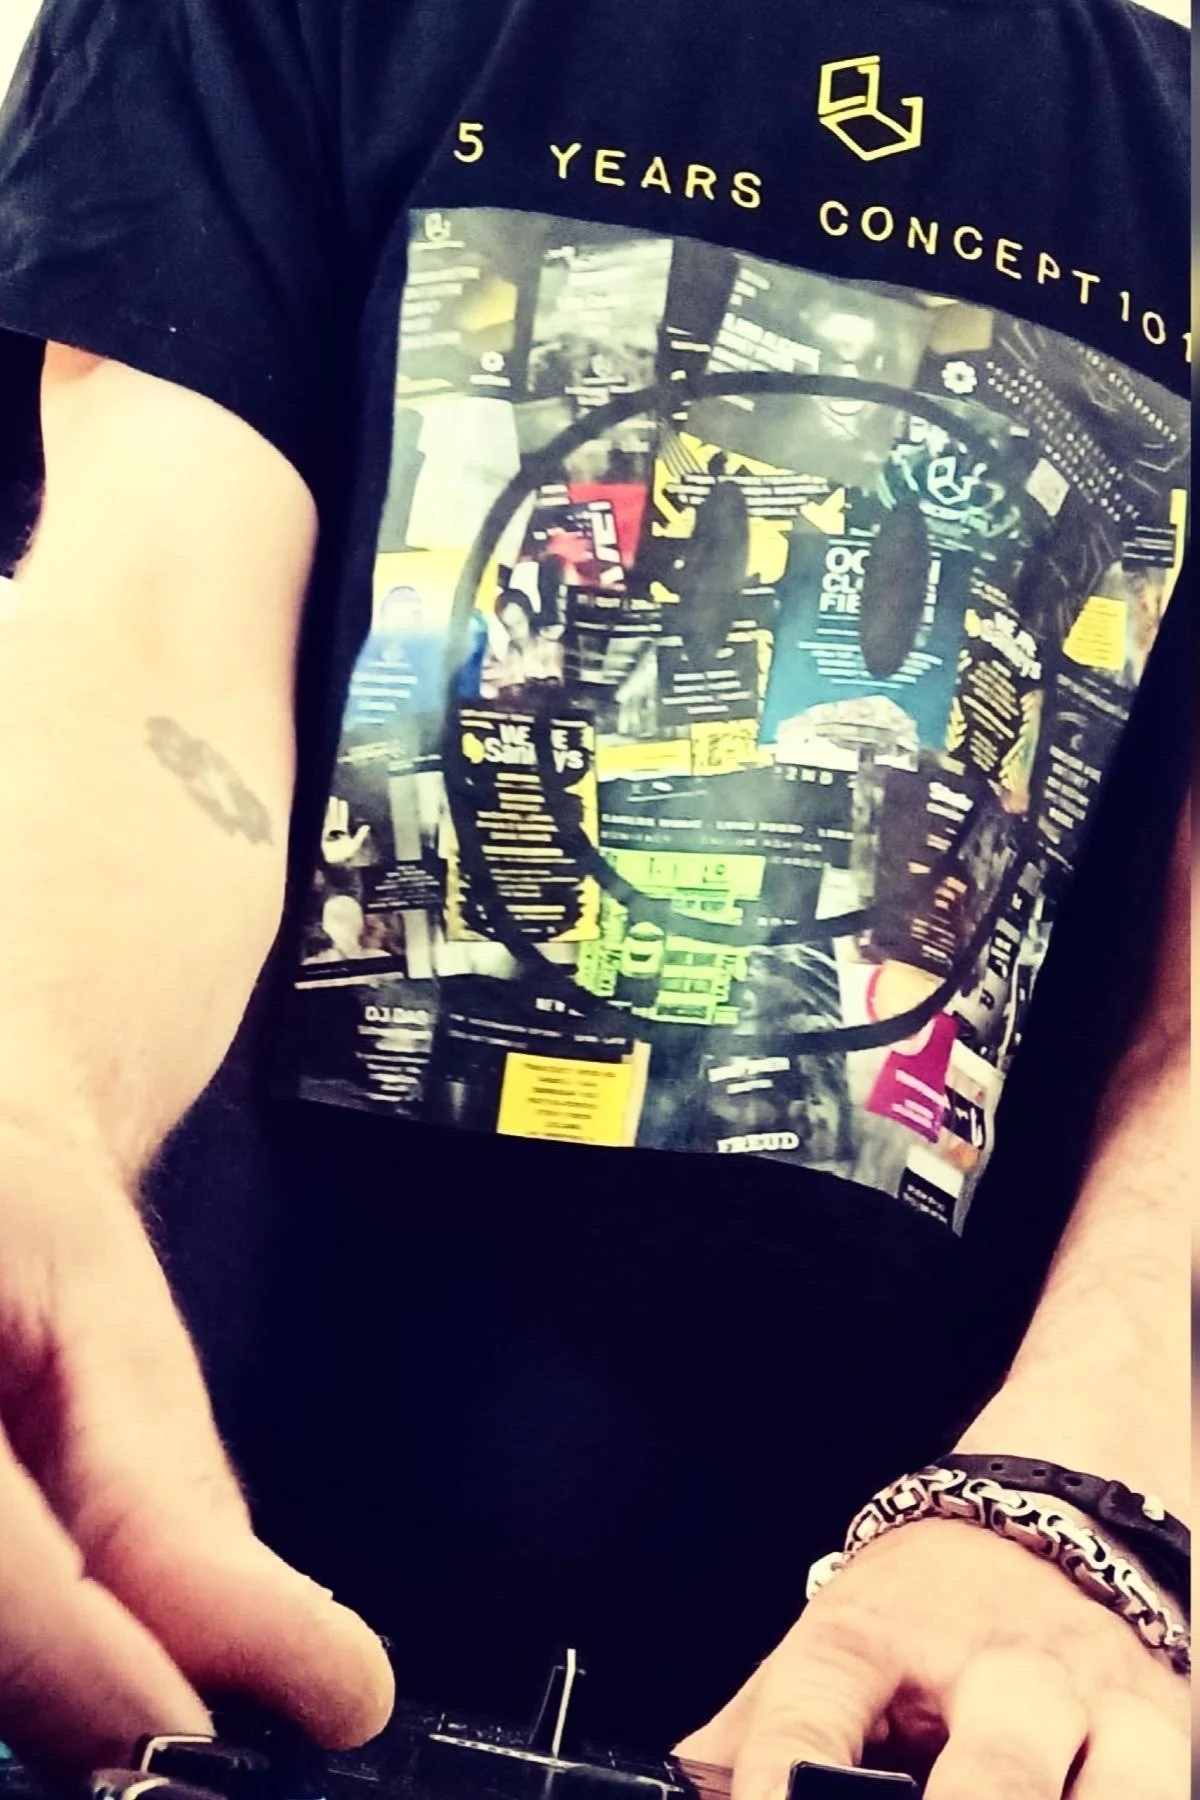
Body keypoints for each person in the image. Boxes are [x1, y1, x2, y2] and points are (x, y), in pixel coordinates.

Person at [0, 0, 1189, 1795]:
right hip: (160, 1613)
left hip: (936, 1705)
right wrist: (21, 1110)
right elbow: (147, 634)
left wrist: (1086, 1499)